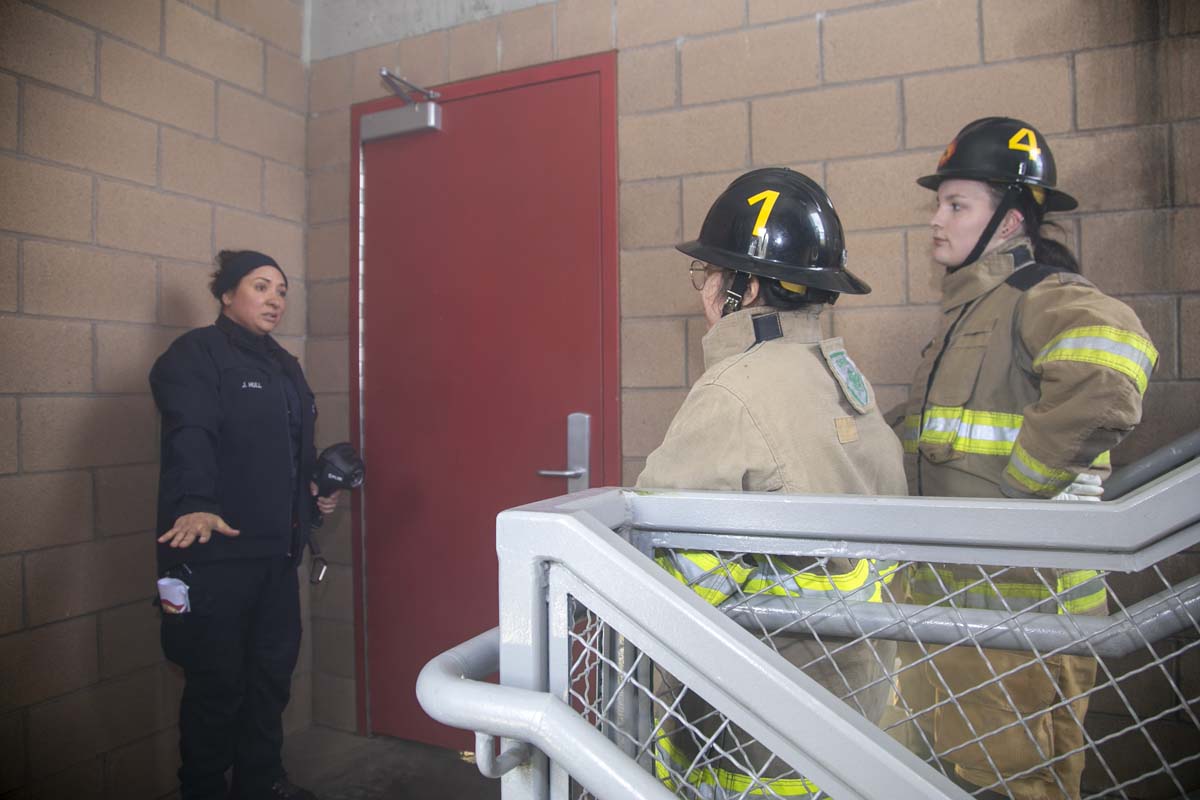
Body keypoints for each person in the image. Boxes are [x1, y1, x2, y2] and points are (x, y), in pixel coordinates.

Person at [888, 118, 1158, 800]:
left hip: (1022, 634)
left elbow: (1111, 364)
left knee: (1015, 788)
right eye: (937, 204)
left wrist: (1023, 489)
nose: (935, 222)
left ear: (1009, 222)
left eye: (957, 205)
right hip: (949, 623)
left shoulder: (1040, 297)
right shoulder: (967, 314)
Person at [636, 167, 907, 799]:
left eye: (708, 275)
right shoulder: (842, 381)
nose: (703, 290)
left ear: (744, 288)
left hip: (759, 750)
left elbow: (657, 586)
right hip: (855, 723)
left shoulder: (736, 392)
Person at [151, 250, 341, 800]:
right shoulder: (194, 356)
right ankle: (205, 789)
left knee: (269, 679)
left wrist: (310, 492)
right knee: (216, 685)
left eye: (282, 291)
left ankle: (262, 782)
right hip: (216, 552)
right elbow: (191, 432)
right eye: (261, 287)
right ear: (228, 294)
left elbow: (288, 447)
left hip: (276, 556)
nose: (275, 299)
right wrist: (194, 501)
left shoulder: (284, 365)